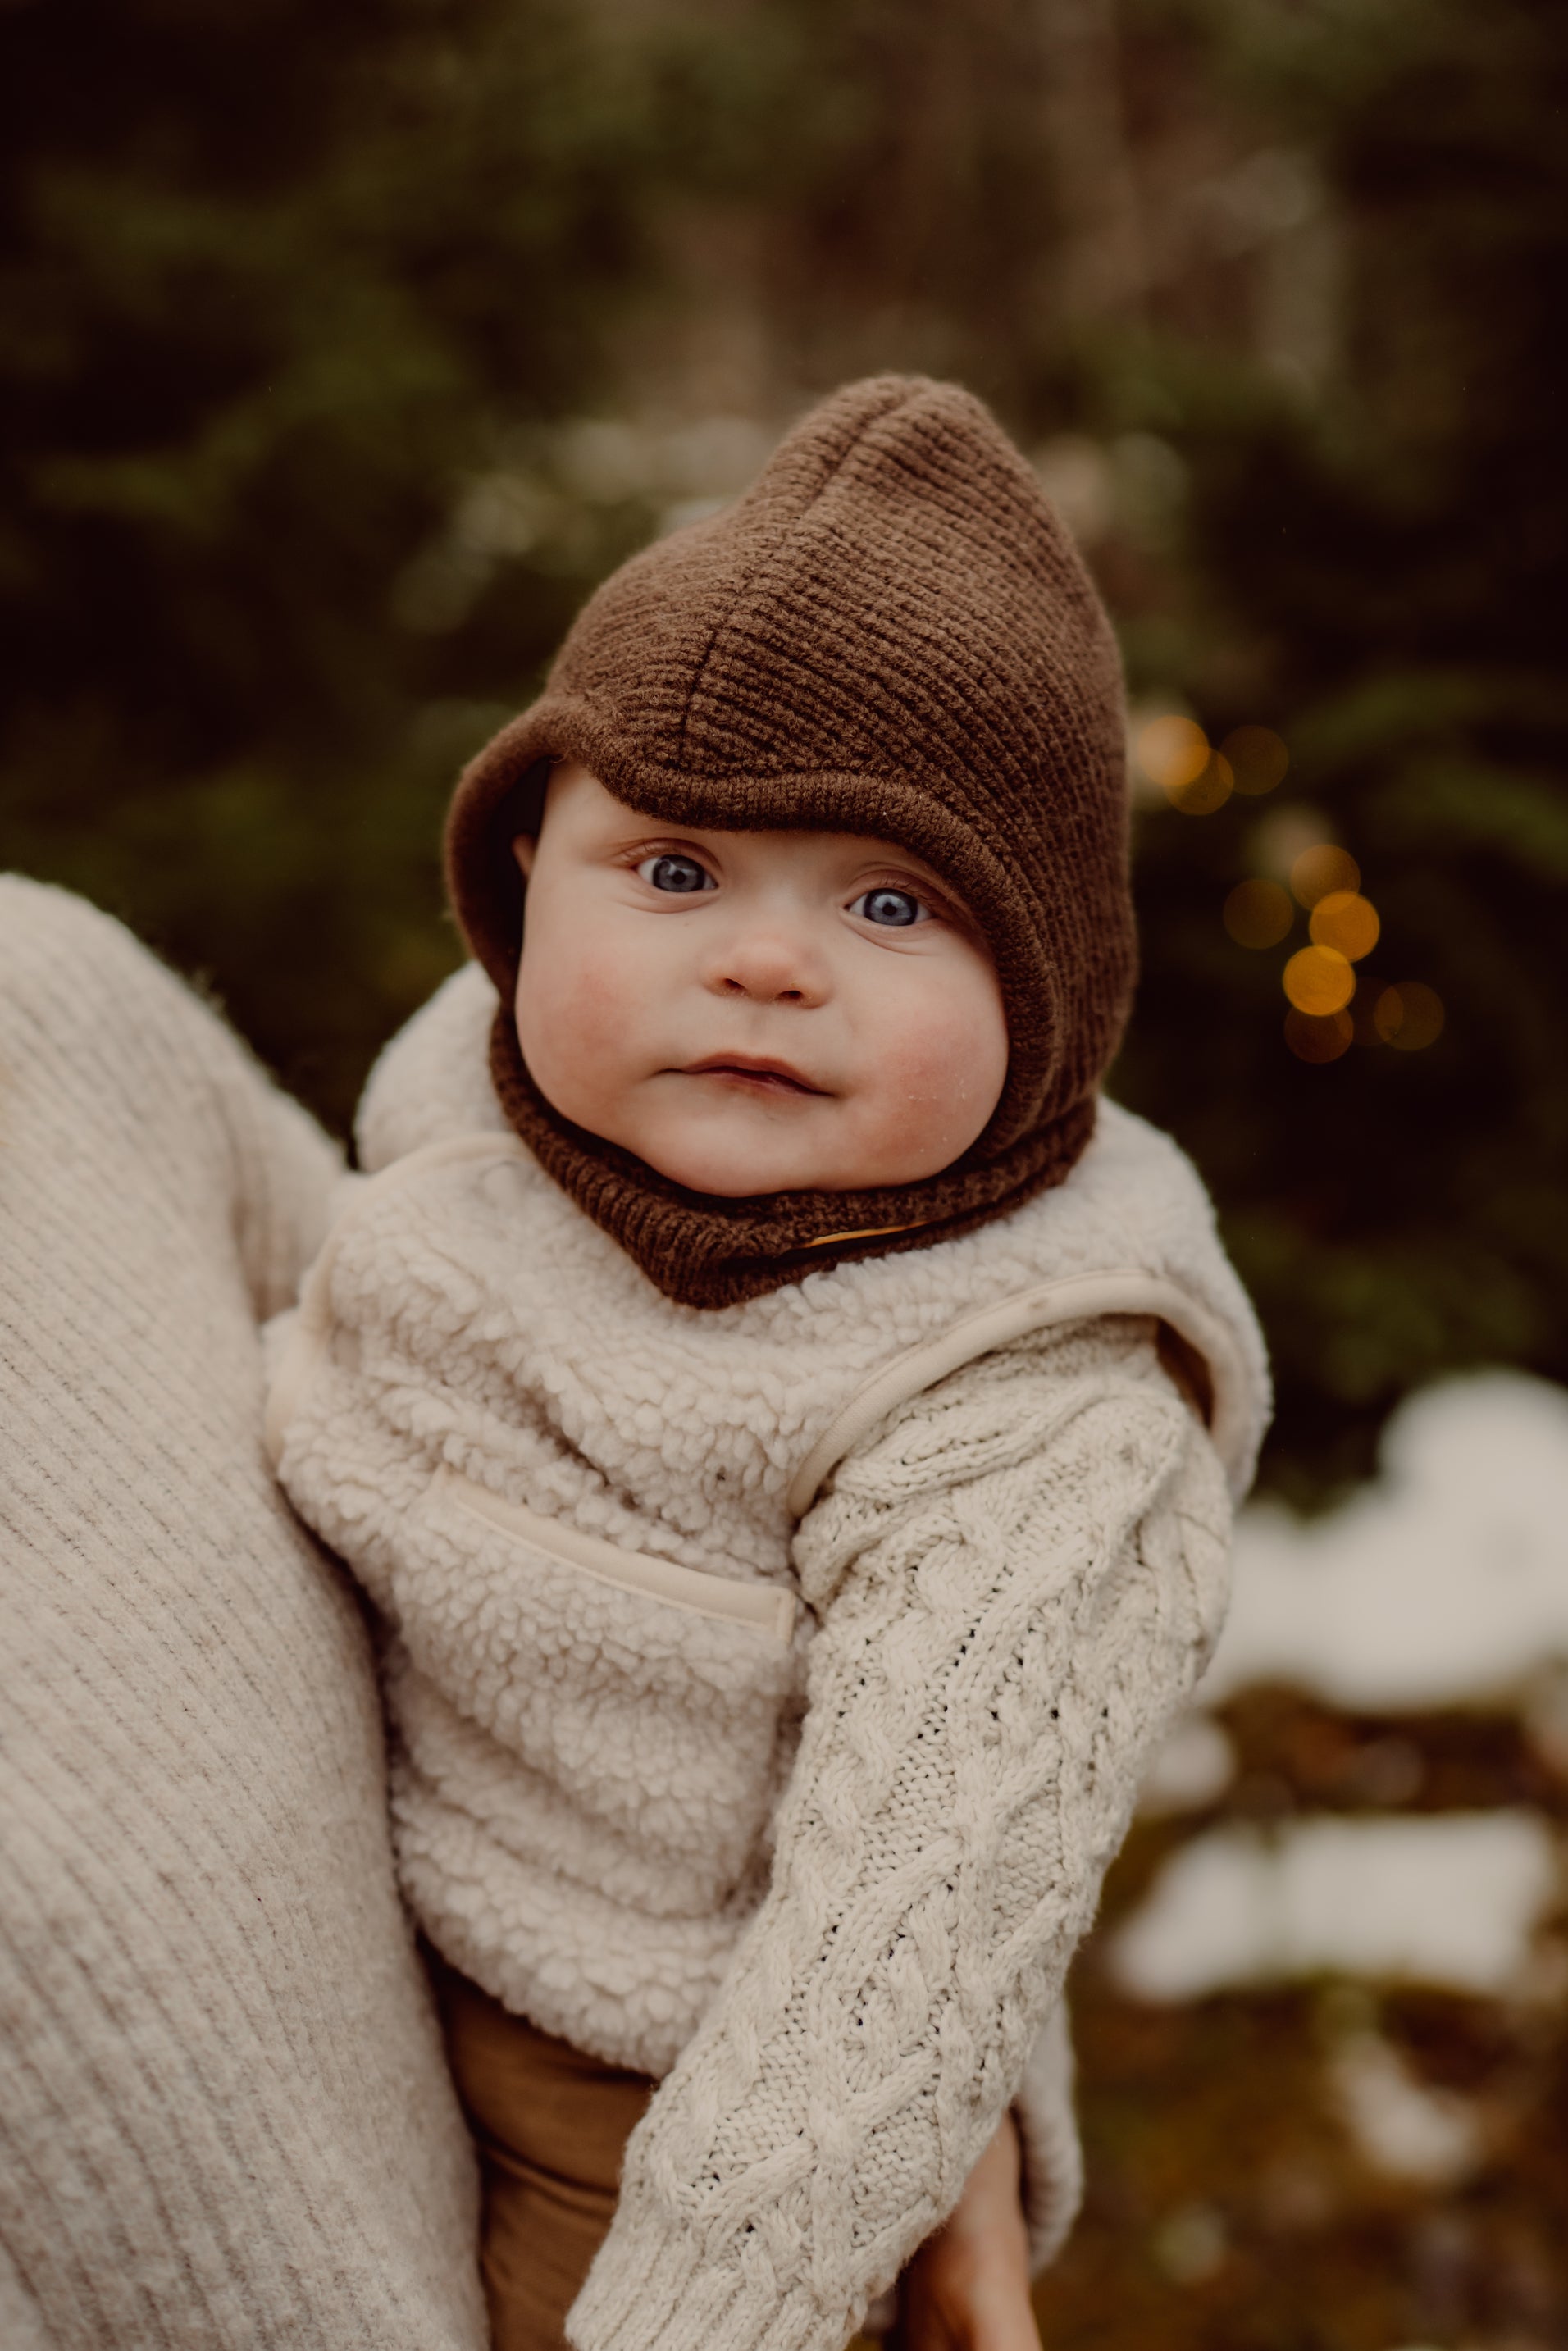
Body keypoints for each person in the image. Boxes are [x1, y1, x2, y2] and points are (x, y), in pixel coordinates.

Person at [263, 374, 1269, 2351]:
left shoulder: (1024, 1401)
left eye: (887, 902)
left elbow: (890, 1972)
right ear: (517, 876)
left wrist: (703, 2312)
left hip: (664, 2121)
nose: (760, 962)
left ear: (1051, 994)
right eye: (671, 871)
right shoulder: (462, 1104)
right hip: (358, 1913)